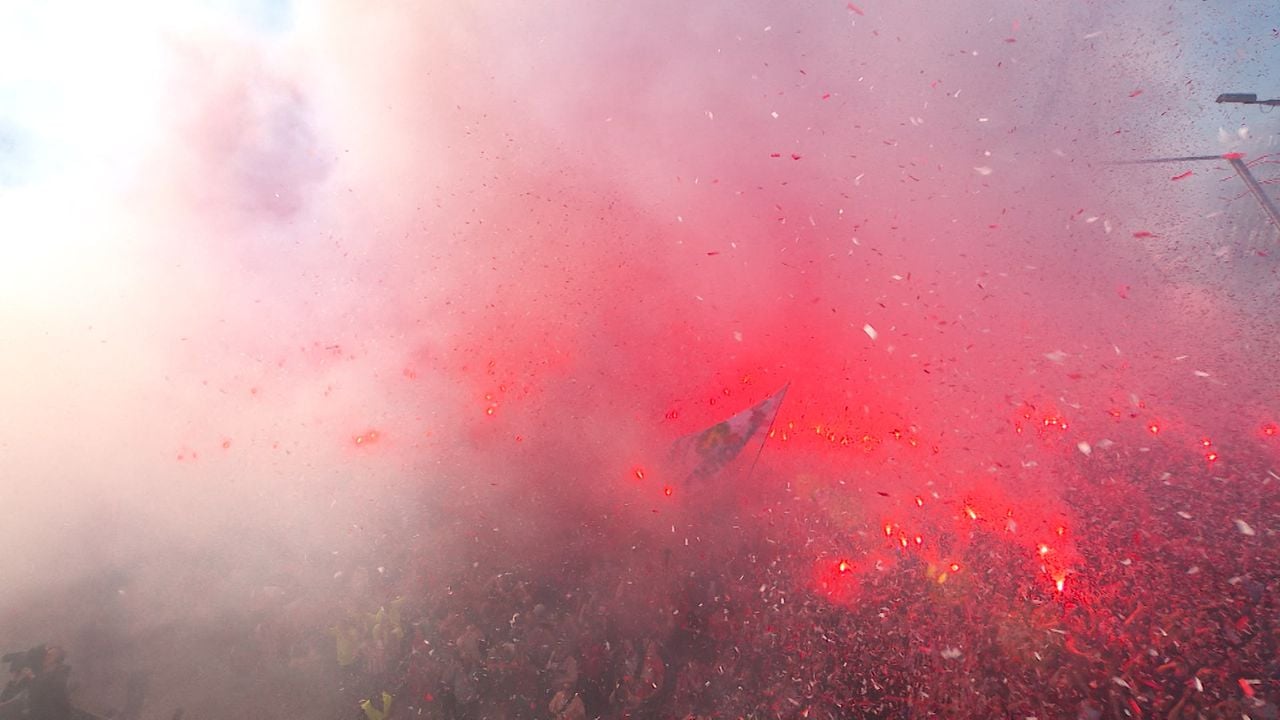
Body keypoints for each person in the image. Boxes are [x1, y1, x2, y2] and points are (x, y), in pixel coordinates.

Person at [27, 646, 71, 720]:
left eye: (50, 655)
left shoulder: (60, 675)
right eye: (46, 654)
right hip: (38, 713)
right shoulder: (43, 672)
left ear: (57, 660)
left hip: (52, 715)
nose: (45, 657)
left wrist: (33, 678)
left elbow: (47, 693)